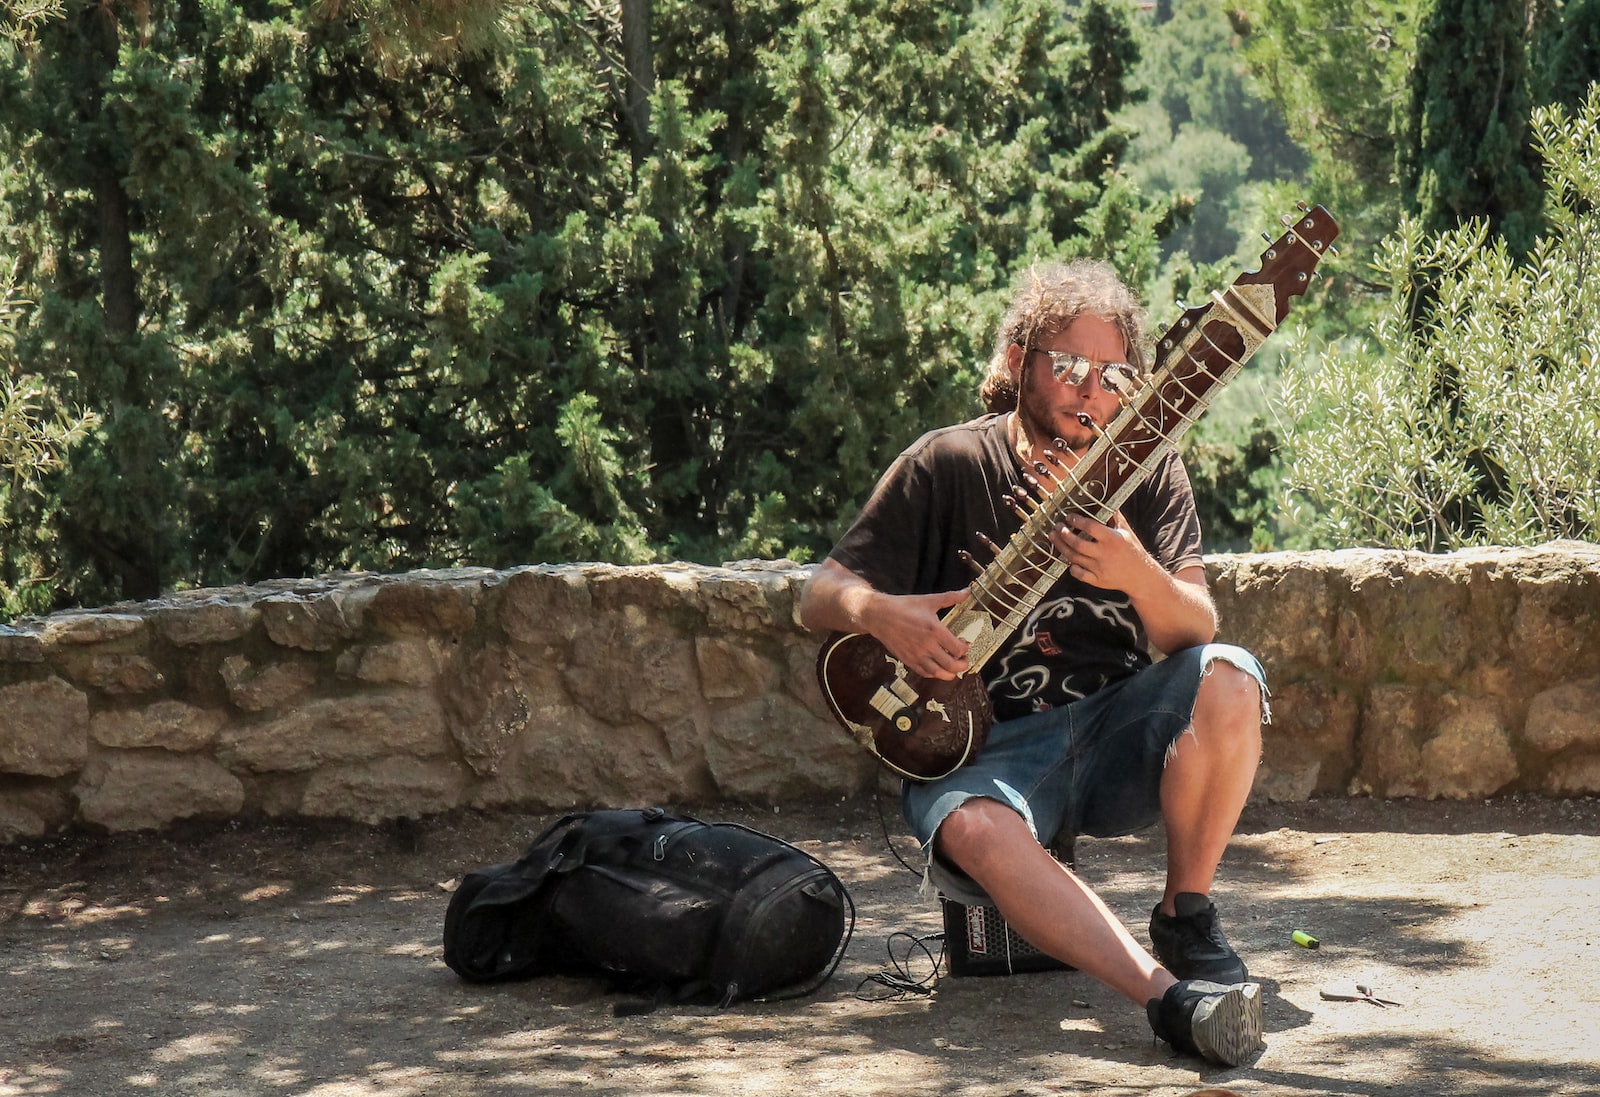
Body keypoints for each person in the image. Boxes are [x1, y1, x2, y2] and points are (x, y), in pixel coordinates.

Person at [799, 259, 1269, 1067]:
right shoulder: (946, 464)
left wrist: (1136, 574)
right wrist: (881, 614)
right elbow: (818, 594)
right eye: (1070, 367)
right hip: (990, 754)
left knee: (1231, 674)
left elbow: (1196, 625)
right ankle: (1169, 999)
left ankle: (1186, 914)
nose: (1091, 392)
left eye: (1113, 374)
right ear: (1019, 360)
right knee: (972, 825)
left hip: (1119, 732)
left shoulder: (1148, 474)